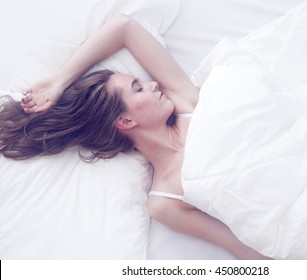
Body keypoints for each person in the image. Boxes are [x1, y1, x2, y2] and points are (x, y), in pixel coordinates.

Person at [0, 14, 270, 259]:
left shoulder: (186, 101)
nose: (152, 83)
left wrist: (60, 80)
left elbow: (123, 27)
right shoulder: (164, 202)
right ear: (125, 120)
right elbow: (241, 247)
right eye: (138, 88)